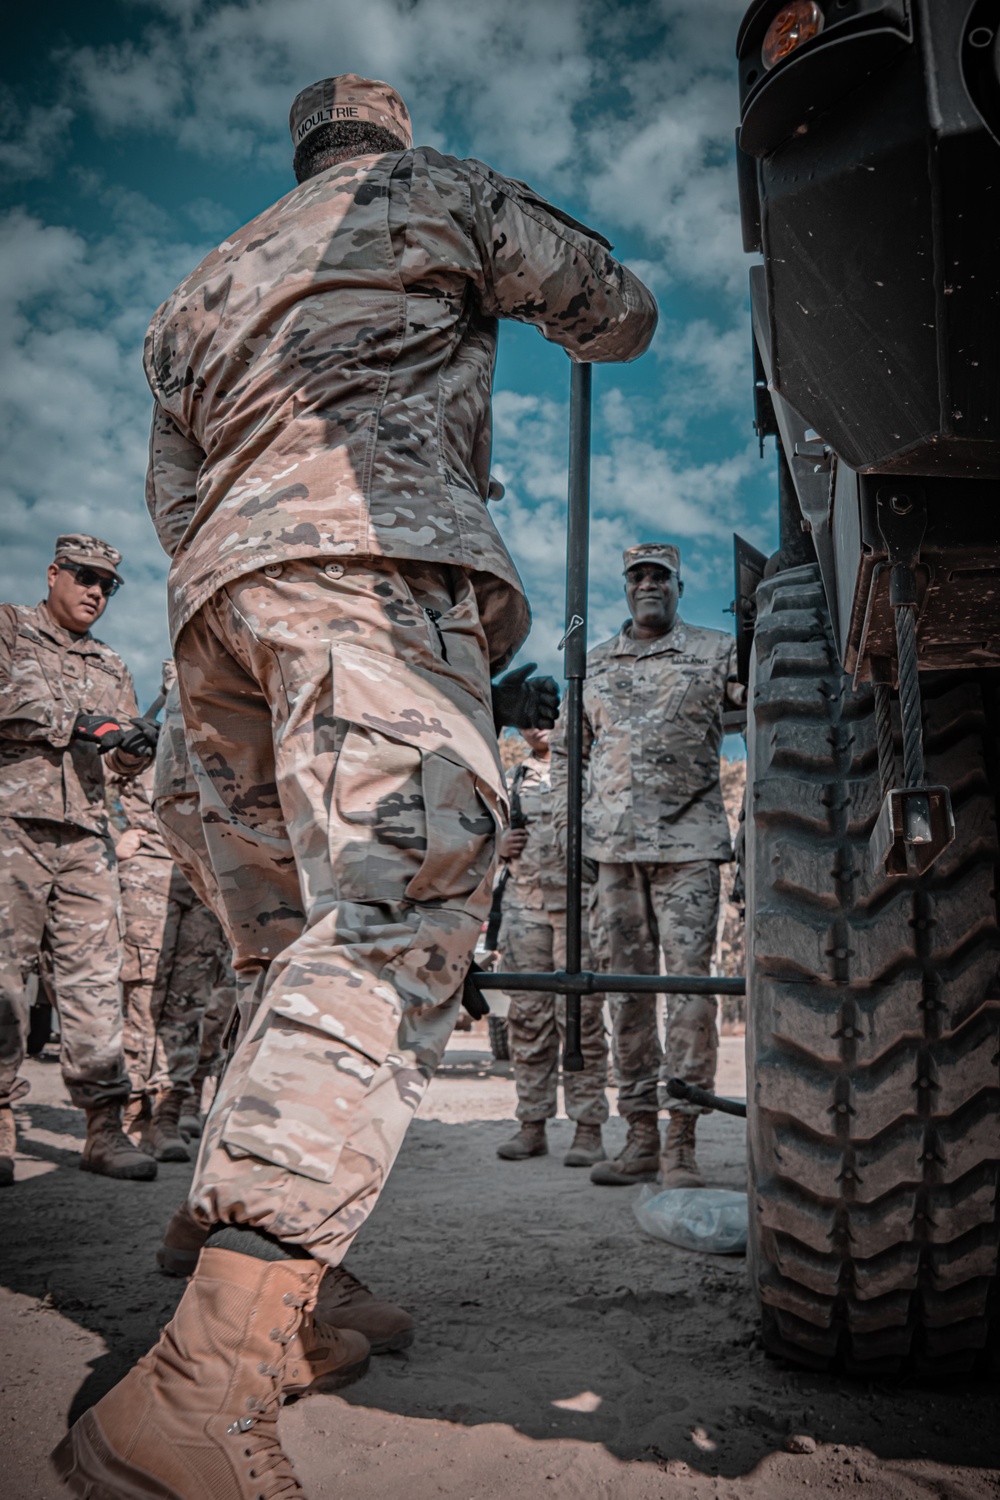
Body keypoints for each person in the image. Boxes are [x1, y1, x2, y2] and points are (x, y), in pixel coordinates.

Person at [53, 74, 656, 1498]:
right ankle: (200, 1378)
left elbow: (173, 500)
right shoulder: (431, 192)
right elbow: (612, 310)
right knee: (398, 918)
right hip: (365, 586)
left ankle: (302, 1301)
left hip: (216, 622)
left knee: (285, 957)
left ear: (300, 150)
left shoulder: (196, 291)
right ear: (383, 140)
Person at [552, 543, 737, 1191]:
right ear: (626, 589)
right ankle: (641, 1136)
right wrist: (566, 836)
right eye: (639, 576)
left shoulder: (719, 652)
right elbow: (568, 756)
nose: (650, 584)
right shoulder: (592, 664)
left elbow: (769, 717)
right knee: (626, 998)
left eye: (661, 576)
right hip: (614, 855)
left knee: (691, 995)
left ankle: (683, 1139)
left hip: (690, 849)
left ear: (679, 586)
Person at [0, 534, 158, 1188]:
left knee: (95, 983)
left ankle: (104, 1127)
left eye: (107, 585)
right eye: (85, 577)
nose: (95, 591)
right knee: (4, 980)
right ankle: (2, 1124)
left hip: (88, 834)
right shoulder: (10, 629)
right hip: (13, 825)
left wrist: (133, 751)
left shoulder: (112, 663)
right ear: (54, 573)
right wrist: (77, 719)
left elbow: (115, 765)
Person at [494, 726, 608, 1166]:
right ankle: (532, 1126)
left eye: (550, 714)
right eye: (530, 718)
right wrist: (499, 847)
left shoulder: (591, 771)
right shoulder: (511, 778)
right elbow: (479, 834)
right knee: (526, 1020)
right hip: (524, 909)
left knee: (581, 1020)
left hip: (577, 908)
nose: (538, 725)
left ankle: (588, 1129)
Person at [111, 750, 230, 1163]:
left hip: (206, 875)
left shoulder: (223, 726)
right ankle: (132, 1111)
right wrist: (112, 835)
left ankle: (168, 1111)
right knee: (142, 997)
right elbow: (84, 782)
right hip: (148, 873)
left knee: (191, 1000)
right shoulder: (143, 739)